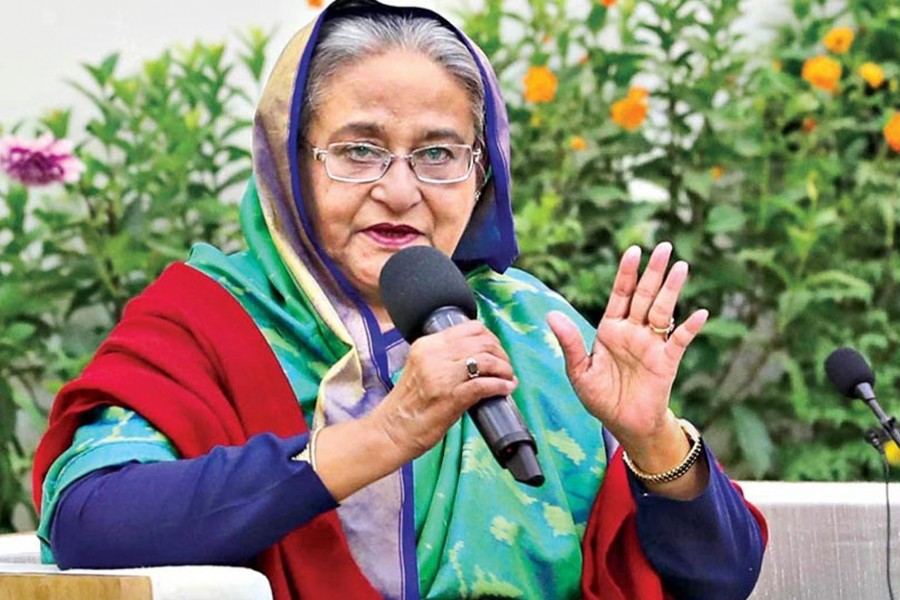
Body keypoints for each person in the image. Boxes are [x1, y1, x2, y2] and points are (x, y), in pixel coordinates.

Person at [33, 1, 767, 598]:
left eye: (439, 153)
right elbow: (92, 521)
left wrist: (652, 441)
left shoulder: (534, 331)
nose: (401, 189)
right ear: (290, 164)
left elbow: (722, 580)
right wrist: (385, 435)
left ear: (482, 174)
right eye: (358, 149)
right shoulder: (212, 320)